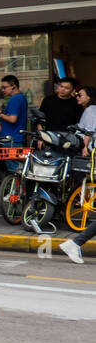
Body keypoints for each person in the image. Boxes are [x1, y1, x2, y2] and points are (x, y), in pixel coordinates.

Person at [56, 86, 96, 263]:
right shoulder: (91, 110)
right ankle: (76, 243)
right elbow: (89, 131)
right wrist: (85, 147)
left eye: (81, 95)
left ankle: (76, 243)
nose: (78, 97)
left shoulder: (91, 110)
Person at [0, 75, 28, 143]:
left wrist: (0, 113)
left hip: (12, 141)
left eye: (5, 87)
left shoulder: (15, 99)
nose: (3, 90)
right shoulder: (21, 97)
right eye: (2, 88)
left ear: (13, 86)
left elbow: (13, 119)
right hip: (15, 139)